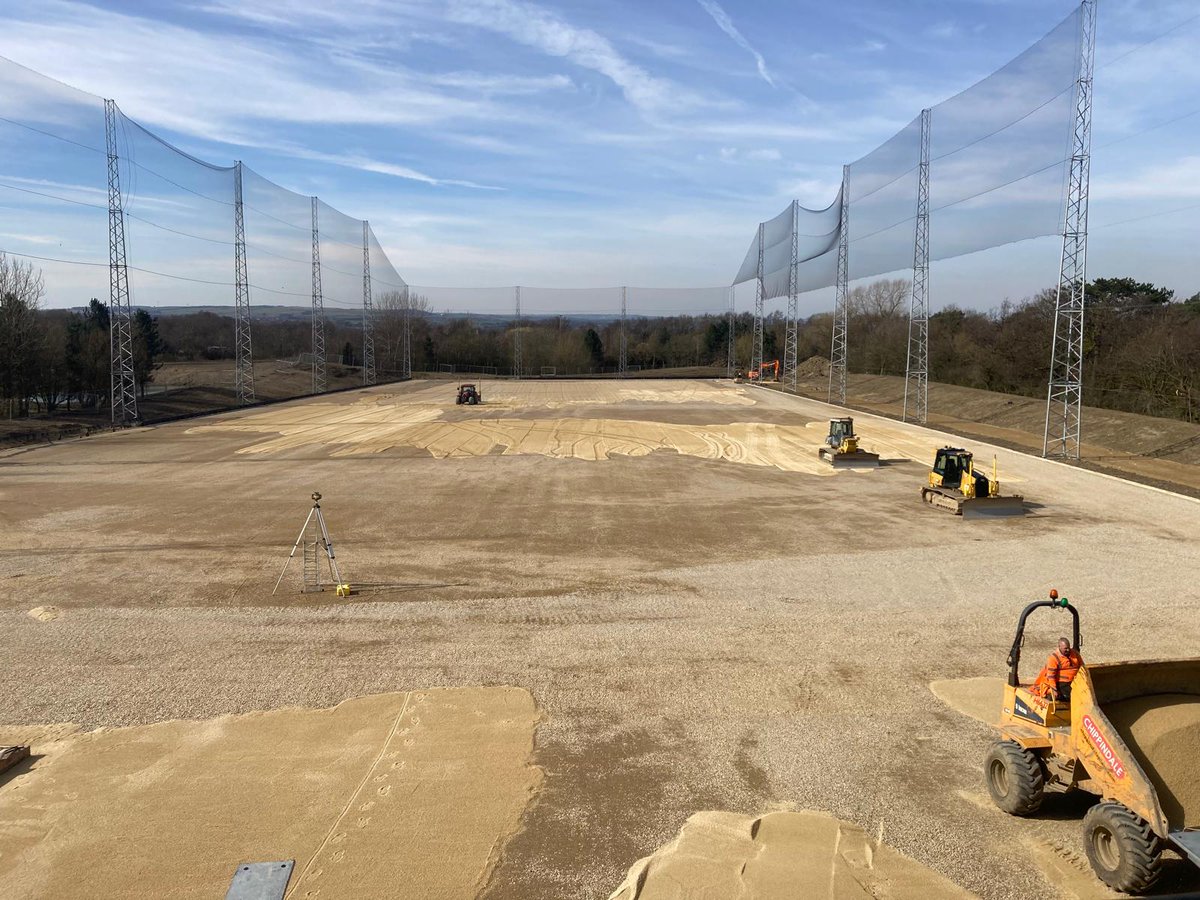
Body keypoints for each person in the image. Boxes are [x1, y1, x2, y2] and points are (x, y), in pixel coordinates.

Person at [1032, 637, 1084, 702]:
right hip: (1061, 683)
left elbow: (1082, 667)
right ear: (1059, 647)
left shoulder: (1075, 654)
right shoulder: (1054, 658)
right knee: (1072, 696)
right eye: (1065, 648)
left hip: (1075, 682)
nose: (1068, 650)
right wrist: (1054, 689)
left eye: (1068, 647)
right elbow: (1051, 676)